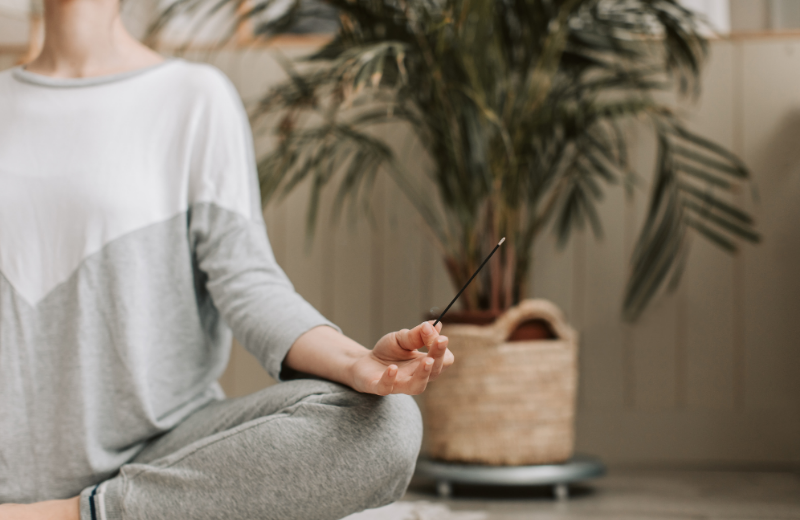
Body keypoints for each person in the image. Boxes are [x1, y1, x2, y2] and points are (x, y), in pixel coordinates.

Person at [0, 1, 455, 519]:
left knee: (385, 424)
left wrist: (357, 363)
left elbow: (247, 278)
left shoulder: (192, 98)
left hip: (164, 454)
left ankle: (68, 515)